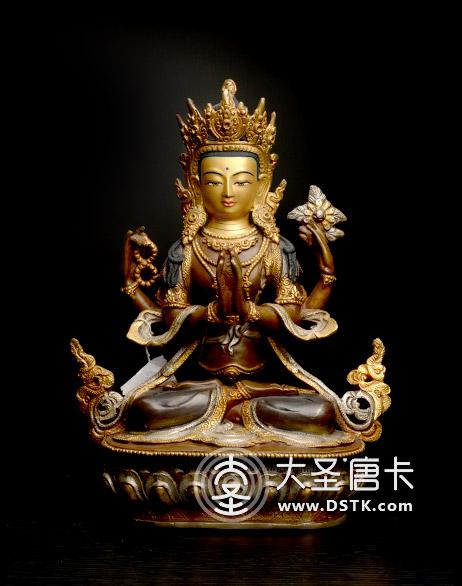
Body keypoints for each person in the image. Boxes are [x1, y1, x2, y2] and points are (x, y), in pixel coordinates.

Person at [118, 80, 355, 448]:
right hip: (201, 382)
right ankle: (232, 410)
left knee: (319, 411)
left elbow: (293, 313)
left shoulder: (275, 249)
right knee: (146, 409)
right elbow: (171, 318)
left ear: (260, 186)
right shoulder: (187, 249)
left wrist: (252, 312)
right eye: (215, 181)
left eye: (241, 181)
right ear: (196, 185)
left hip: (262, 382)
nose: (228, 192)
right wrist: (212, 312)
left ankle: (235, 410)